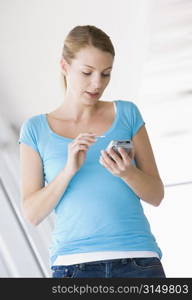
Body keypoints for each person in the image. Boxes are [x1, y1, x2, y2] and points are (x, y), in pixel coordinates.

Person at [18, 25, 166, 278]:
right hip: (73, 267)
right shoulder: (35, 130)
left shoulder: (127, 114)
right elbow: (32, 214)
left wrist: (127, 173)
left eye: (106, 74)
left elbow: (156, 195)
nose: (97, 84)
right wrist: (68, 171)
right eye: (87, 72)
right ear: (64, 66)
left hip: (139, 263)